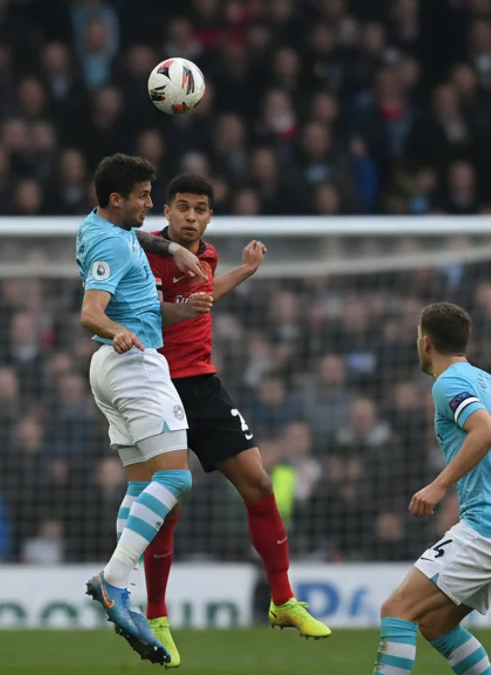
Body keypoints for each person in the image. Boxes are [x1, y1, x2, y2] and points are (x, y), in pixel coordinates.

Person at [139, 173, 330, 667]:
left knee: (260, 484)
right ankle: (157, 614)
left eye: (200, 209)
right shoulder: (146, 253)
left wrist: (244, 272)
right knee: (168, 498)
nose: (190, 217)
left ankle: (283, 600)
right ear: (166, 210)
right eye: (182, 207)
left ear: (209, 216)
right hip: (156, 384)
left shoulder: (208, 255)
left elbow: (203, 294)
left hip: (203, 384)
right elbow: (135, 312)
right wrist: (181, 311)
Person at [372, 302, 491, 675]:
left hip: (489, 528)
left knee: (396, 610)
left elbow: (486, 431)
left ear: (425, 343)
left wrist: (437, 486)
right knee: (436, 623)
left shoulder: (448, 383)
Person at [76, 154, 211, 665]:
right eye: (143, 197)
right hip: (134, 364)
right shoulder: (111, 242)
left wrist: (173, 253)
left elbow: (140, 258)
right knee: (176, 481)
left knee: (141, 483)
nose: (150, 205)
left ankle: (122, 591)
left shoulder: (100, 228)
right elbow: (91, 311)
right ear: (117, 200)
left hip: (114, 366)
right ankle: (114, 581)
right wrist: (119, 331)